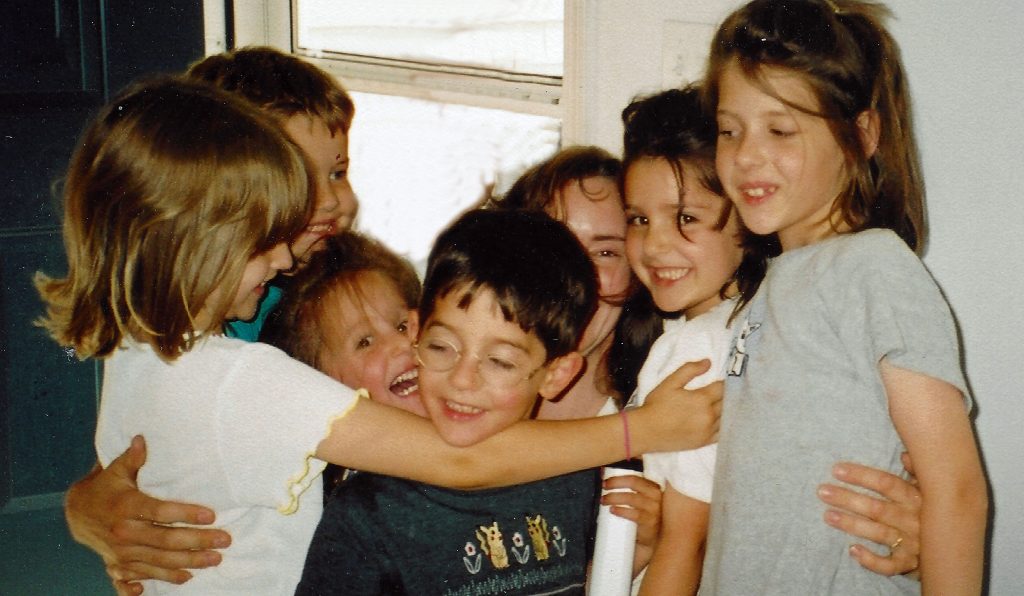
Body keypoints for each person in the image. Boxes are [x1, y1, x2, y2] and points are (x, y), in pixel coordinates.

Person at [39, 76, 722, 594]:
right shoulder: (243, 375)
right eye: (263, 238)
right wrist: (645, 429)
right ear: (194, 240)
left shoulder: (133, 355)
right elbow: (458, 461)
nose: (285, 255)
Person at [700, 1, 988, 593]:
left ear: (860, 135)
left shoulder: (873, 268)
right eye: (730, 130)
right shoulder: (767, 289)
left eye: (780, 129)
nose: (746, 154)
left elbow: (957, 488)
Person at [296, 208, 606, 594]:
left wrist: (633, 549)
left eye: (499, 361)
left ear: (556, 375)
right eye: (442, 347)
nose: (462, 380)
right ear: (417, 333)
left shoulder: (575, 478)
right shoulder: (367, 513)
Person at [491, 147, 664, 578]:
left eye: (605, 253)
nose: (577, 276)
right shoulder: (457, 404)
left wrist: (638, 553)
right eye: (554, 243)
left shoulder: (663, 432)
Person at [618, 85, 752, 596]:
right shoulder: (739, 327)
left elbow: (686, 541)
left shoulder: (697, 348)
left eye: (686, 218)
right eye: (639, 219)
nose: (653, 245)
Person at [185, 46, 360, 341]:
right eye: (302, 181)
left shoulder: (343, 283)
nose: (330, 201)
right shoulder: (236, 310)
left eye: (337, 174)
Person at [261, 231, 427, 497]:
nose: (402, 344)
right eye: (365, 342)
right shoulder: (364, 499)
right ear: (325, 387)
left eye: (402, 325)